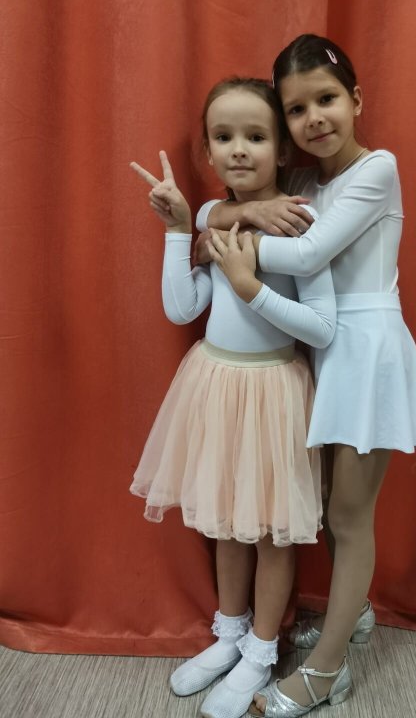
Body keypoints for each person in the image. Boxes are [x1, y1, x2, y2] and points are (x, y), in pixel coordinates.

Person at [197, 35, 416, 716]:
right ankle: (351, 615)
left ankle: (327, 672)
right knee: (327, 502)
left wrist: (226, 246)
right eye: (296, 110)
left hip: (366, 352)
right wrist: (232, 214)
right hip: (316, 348)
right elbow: (217, 210)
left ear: (355, 99)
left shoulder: (377, 168)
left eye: (326, 99)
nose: (314, 119)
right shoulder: (303, 182)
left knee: (350, 516)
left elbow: (306, 255)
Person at [129, 77, 336, 718]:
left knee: (272, 531)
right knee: (228, 521)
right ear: (208, 150)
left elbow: (321, 326)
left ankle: (262, 650)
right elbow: (183, 307)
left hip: (274, 392)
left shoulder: (299, 221)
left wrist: (251, 284)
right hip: (215, 386)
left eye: (255, 136)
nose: (239, 149)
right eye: (223, 137)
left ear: (282, 149)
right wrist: (177, 230)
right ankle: (229, 633)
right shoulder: (213, 217)